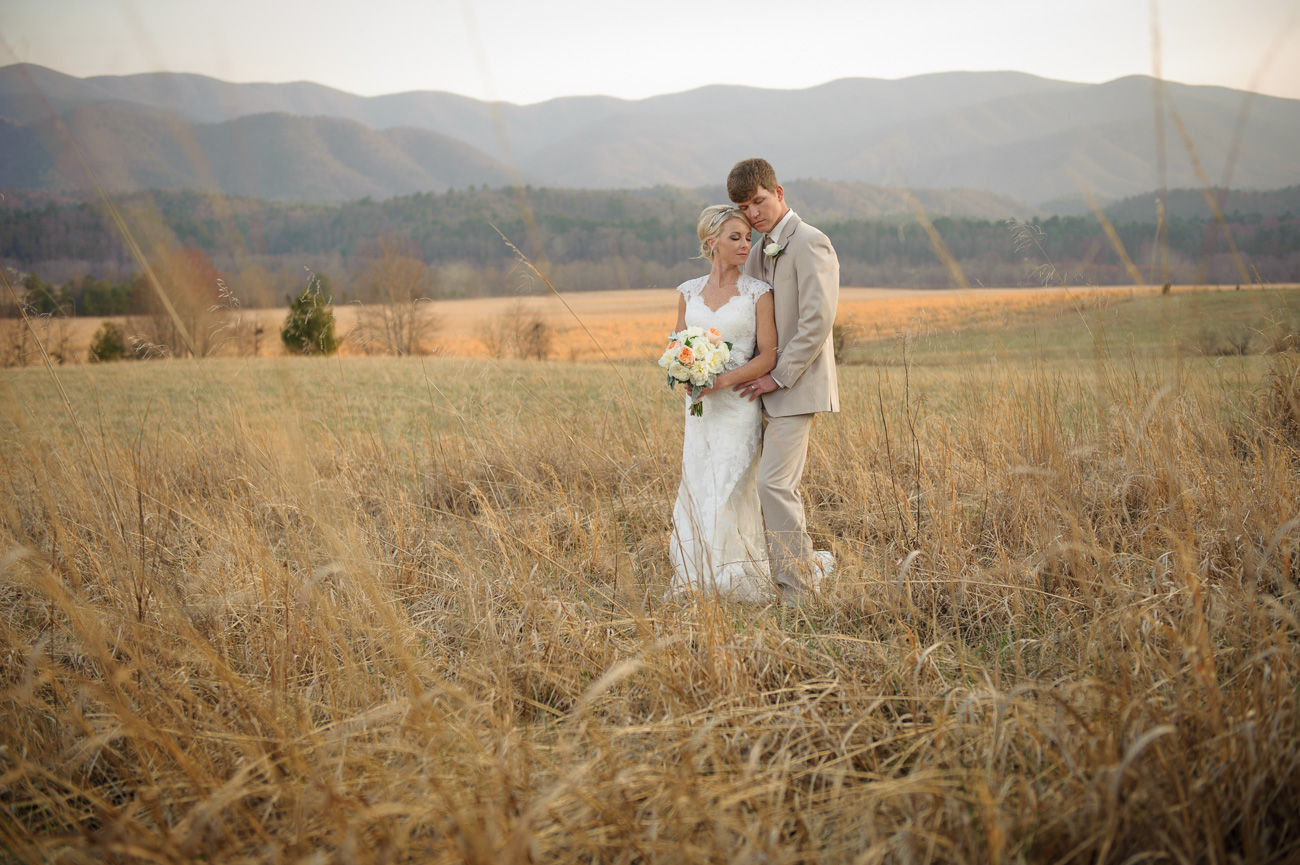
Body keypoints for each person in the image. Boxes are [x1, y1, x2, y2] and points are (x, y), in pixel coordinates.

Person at [727, 158, 840, 604]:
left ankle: (800, 595)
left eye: (758, 202)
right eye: (744, 207)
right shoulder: (756, 251)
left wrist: (778, 375)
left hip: (797, 386)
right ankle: (790, 571)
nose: (753, 214)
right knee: (744, 484)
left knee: (773, 484)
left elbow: (817, 319)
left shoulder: (812, 242)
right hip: (756, 389)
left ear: (779, 193)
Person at [668, 205, 778, 600]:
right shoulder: (687, 291)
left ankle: (735, 574)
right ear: (710, 241)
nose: (745, 245)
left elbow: (767, 356)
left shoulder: (757, 293)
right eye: (735, 238)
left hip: (737, 407)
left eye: (748, 238)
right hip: (699, 409)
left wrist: (722, 380)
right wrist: (685, 374)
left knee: (733, 486)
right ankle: (697, 572)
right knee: (698, 482)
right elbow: (678, 345)